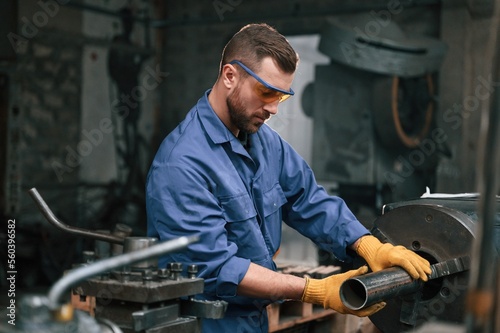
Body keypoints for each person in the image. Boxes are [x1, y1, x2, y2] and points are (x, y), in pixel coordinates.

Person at [146, 23, 431, 332]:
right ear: (230, 76)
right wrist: (314, 290)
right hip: (206, 323)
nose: (272, 108)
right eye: (265, 92)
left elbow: (308, 199)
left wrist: (367, 245)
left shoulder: (266, 143)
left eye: (280, 97)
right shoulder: (181, 164)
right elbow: (217, 268)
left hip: (254, 318)